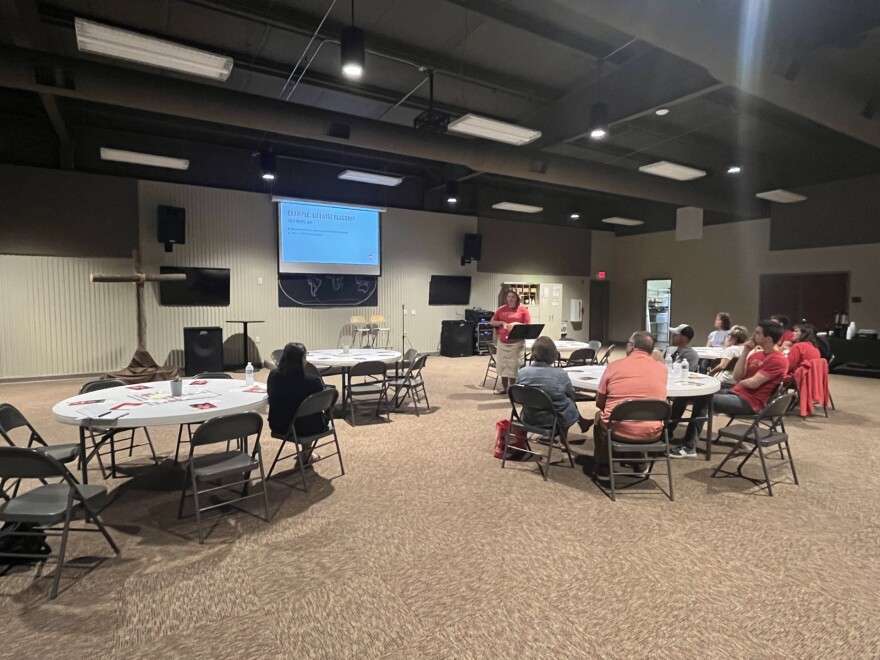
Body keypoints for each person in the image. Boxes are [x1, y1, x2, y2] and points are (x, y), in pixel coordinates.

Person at [670, 319, 789, 458]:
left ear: (768, 338)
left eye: (757, 333)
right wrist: (745, 351)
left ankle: (689, 447)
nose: (753, 335)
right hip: (736, 392)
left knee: (703, 399)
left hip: (750, 402)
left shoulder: (778, 360)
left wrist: (743, 382)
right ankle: (668, 431)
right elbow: (738, 377)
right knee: (687, 393)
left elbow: (753, 384)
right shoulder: (756, 354)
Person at [593, 331, 668, 480]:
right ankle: (639, 463)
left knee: (598, 418)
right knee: (641, 416)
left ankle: (604, 466)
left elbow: (599, 403)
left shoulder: (613, 367)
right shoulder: (662, 369)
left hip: (618, 429)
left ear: (631, 346)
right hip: (652, 431)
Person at [515, 337, 593, 441]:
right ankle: (563, 439)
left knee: (561, 400)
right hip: (554, 419)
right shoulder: (560, 374)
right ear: (553, 354)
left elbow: (519, 395)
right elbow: (571, 394)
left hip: (528, 416)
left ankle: (582, 423)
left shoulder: (521, 373)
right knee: (567, 401)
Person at [267, 342, 327, 464]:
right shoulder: (313, 381)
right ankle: (307, 452)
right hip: (307, 427)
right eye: (305, 357)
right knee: (309, 414)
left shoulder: (273, 376)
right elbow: (322, 403)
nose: (306, 360)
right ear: (300, 359)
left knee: (300, 412)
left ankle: (306, 453)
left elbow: (271, 395)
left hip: (279, 424)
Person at [490, 290, 532, 394]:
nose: (510, 299)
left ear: (517, 298)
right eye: (508, 297)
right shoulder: (501, 309)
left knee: (514, 367)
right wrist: (502, 322)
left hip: (516, 343)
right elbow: (492, 322)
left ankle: (513, 389)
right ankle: (504, 388)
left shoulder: (523, 310)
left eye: (513, 297)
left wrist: (517, 324)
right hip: (503, 342)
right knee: (503, 366)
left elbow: (528, 324)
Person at [707, 324, 749, 389]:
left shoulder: (731, 350)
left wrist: (711, 373)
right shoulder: (747, 350)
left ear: (734, 338)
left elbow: (722, 366)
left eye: (729, 335)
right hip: (739, 380)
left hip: (726, 380)